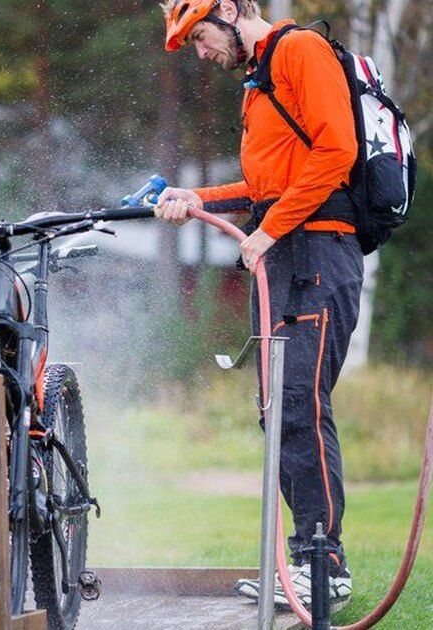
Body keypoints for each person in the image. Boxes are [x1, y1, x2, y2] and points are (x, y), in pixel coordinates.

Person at [157, 0, 361, 606]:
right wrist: (198, 196)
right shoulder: (259, 80)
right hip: (281, 257)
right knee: (278, 411)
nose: (201, 52)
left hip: (318, 256)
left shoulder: (300, 51)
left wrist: (268, 232)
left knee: (298, 402)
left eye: (200, 37)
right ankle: (305, 561)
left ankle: (322, 568)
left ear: (230, 10)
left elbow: (337, 152)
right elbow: (266, 185)